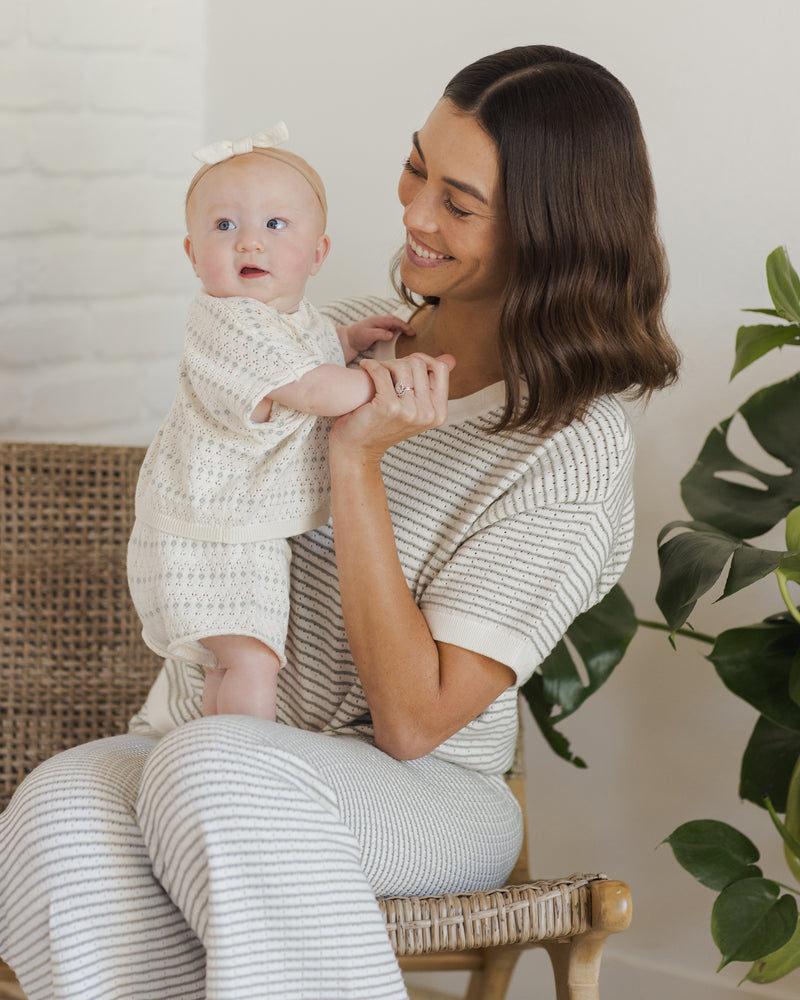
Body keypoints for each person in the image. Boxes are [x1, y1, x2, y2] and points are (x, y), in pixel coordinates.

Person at [0, 45, 679, 1000]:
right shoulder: (329, 335)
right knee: (58, 807)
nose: (413, 214)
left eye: (459, 201)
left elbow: (412, 723)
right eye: (416, 167)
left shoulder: (571, 446)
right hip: (231, 745)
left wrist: (356, 458)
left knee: (215, 774)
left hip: (425, 794)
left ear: (547, 234)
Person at [127, 124, 410, 721]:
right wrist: (386, 382)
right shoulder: (226, 319)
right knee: (252, 662)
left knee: (233, 664)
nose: (249, 244)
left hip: (231, 523)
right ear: (192, 254)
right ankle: (239, 767)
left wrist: (344, 340)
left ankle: (205, 750)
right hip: (204, 531)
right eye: (225, 226)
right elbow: (309, 387)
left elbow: (299, 354)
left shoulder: (285, 318)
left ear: (317, 254)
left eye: (274, 225)